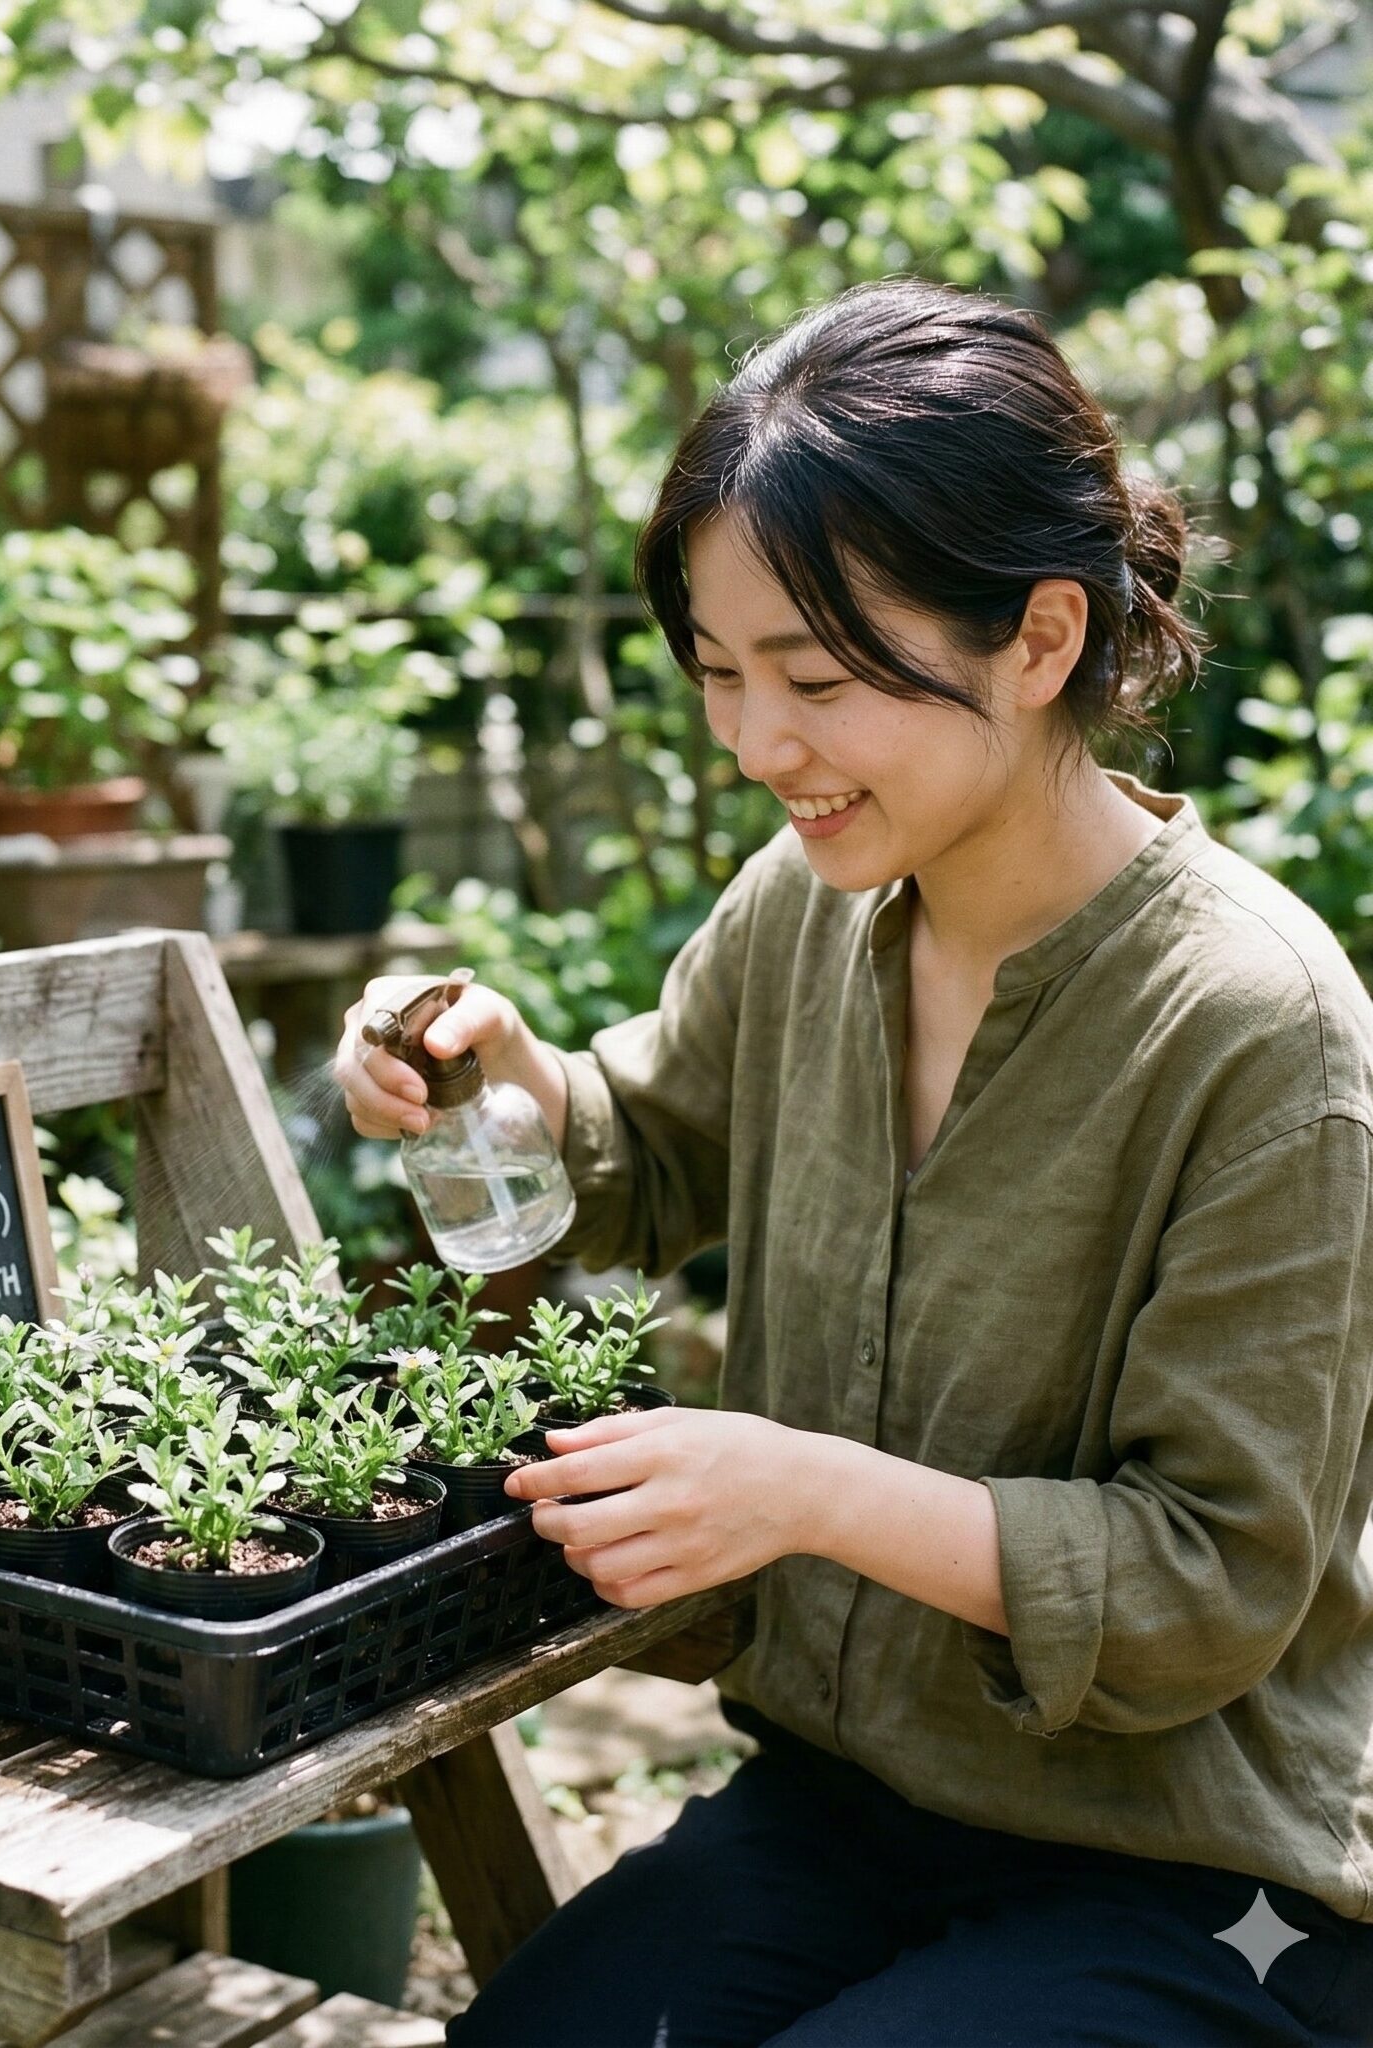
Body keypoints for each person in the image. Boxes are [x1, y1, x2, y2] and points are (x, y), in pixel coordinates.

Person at [334, 277, 1373, 2046]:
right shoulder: (807, 916)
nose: (757, 746)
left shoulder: (1267, 1038)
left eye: (817, 679)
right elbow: (648, 1149)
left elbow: (1208, 1588)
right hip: (849, 1805)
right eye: (723, 676)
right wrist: (511, 1082)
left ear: (1043, 641)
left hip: (1203, 1877)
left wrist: (805, 1491)